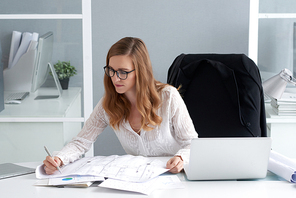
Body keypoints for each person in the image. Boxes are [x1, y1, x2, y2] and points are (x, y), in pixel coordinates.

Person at [43, 37, 198, 175]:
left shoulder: (168, 97)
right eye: (111, 70)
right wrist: (59, 159)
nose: (115, 78)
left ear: (140, 72)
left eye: (123, 72)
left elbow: (192, 144)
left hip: (174, 178)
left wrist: (180, 158)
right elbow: (81, 142)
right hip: (139, 179)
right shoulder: (108, 103)